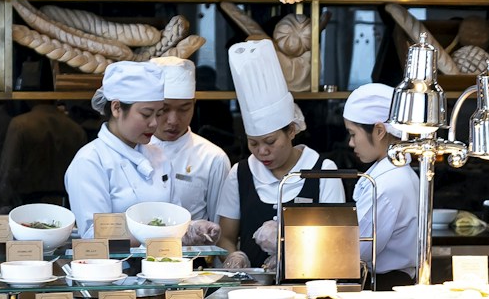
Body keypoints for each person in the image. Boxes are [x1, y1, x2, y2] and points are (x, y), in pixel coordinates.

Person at [218, 38, 345, 269]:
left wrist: (289, 243)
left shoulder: (323, 171)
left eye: (270, 141)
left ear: (292, 131)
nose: (262, 152)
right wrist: (234, 256)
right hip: (250, 290)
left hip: (309, 288)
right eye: (253, 144)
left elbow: (336, 240)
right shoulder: (241, 173)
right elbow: (225, 236)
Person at [63, 61, 173, 238]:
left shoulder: (158, 155)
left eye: (159, 114)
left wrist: (191, 228)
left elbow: (175, 215)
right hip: (114, 265)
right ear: (116, 108)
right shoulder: (90, 160)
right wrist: (161, 234)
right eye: (146, 114)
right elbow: (94, 233)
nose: (154, 123)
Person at [342, 82, 423, 286]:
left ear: (379, 130)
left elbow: (356, 249)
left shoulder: (389, 182)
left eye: (353, 134)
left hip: (387, 285)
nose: (351, 143)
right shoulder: (390, 173)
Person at [150, 55, 229, 242]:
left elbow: (219, 233)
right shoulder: (132, 152)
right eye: (164, 109)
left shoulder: (212, 158)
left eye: (184, 109)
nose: (173, 120)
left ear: (194, 105)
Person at [0, 102, 87, 211]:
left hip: (27, 205)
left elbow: (8, 171)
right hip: (66, 205)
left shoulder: (20, 124)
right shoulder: (76, 129)